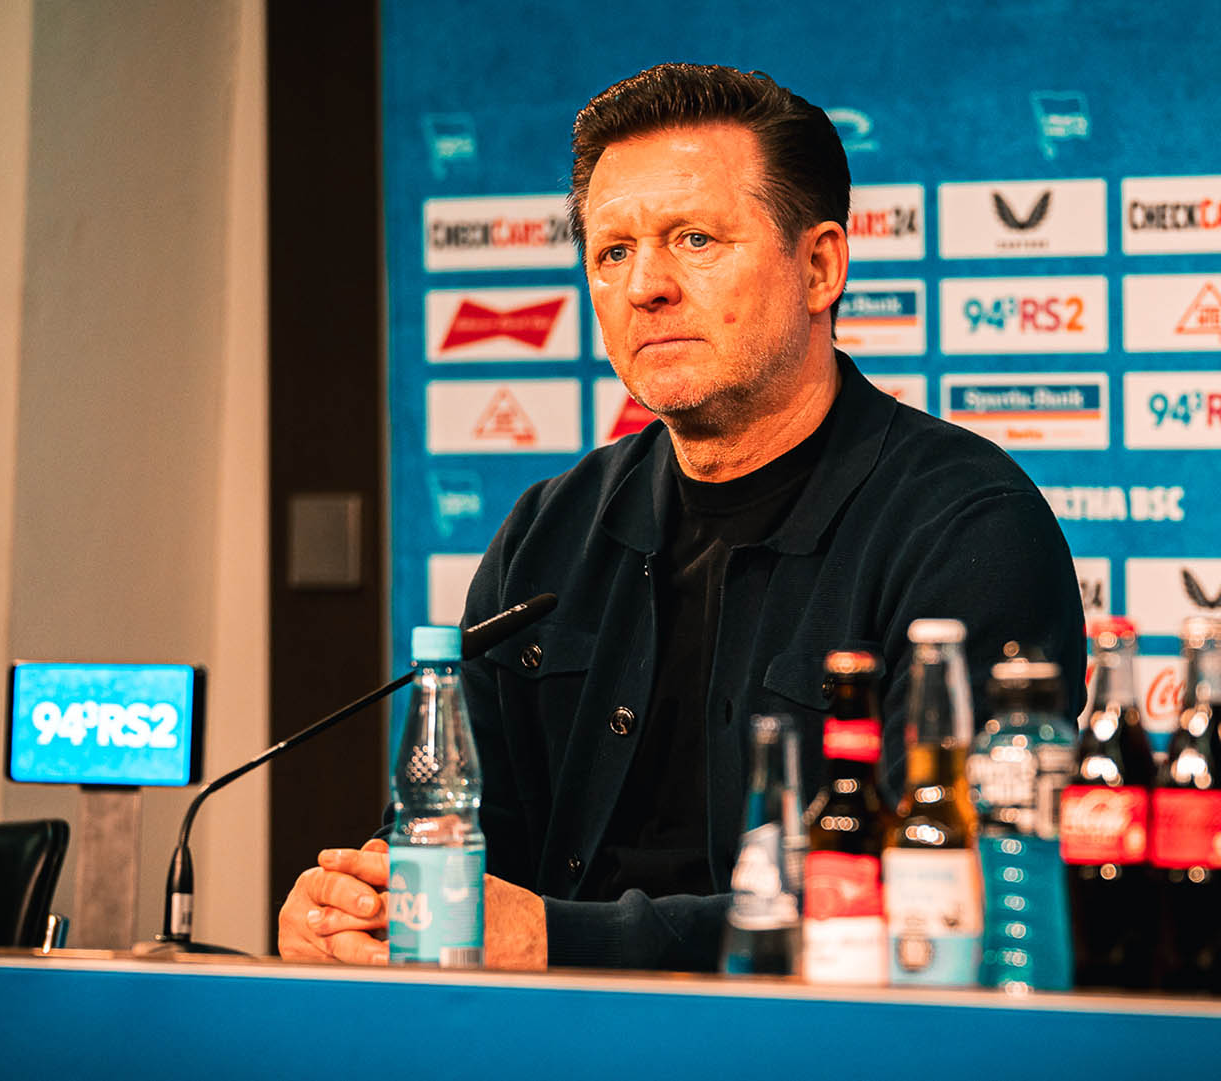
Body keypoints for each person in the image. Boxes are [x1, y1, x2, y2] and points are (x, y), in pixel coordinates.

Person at [277, 63, 1086, 970]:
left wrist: (559, 938)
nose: (644, 286)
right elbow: (453, 845)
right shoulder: (548, 531)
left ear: (819, 266)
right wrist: (366, 907)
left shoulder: (968, 531)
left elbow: (937, 901)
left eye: (694, 239)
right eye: (613, 251)